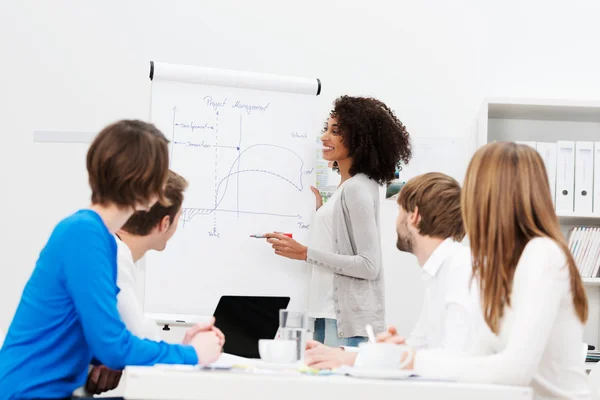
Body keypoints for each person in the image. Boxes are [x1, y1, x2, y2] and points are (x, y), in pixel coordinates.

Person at [0, 120, 224, 399]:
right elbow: (113, 347)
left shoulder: (96, 236)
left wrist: (183, 348)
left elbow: (100, 341)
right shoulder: (85, 235)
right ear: (147, 188)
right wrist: (192, 354)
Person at [405, 143, 591, 399]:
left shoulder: (543, 254)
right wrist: (402, 358)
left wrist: (413, 361)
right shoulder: (502, 267)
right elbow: (475, 356)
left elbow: (515, 371)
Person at [264, 96, 412, 347]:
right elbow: (339, 243)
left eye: (335, 131)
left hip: (342, 320)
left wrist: (304, 253)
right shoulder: (347, 188)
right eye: (326, 129)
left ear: (359, 139)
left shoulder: (357, 188)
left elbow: (368, 265)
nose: (324, 137)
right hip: (326, 313)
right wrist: (323, 213)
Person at [304, 172, 479, 369]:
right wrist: (345, 353)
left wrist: (355, 360)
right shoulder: (438, 273)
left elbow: (453, 360)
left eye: (399, 211)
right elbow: (418, 348)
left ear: (414, 216)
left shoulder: (460, 268)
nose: (397, 220)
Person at [82, 169, 197, 396]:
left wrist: (109, 357)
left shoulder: (111, 250)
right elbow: (140, 338)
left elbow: (120, 339)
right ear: (165, 223)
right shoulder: (115, 255)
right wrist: (194, 351)